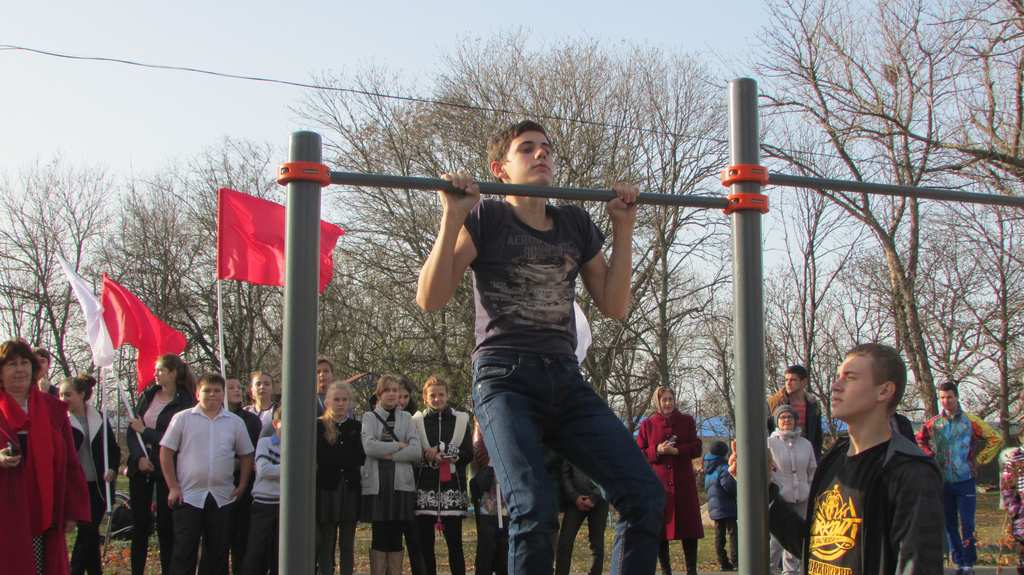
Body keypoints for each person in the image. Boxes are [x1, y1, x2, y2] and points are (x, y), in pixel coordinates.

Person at [415, 119, 663, 575]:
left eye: (546, 147)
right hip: (504, 378)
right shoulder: (488, 217)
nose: (541, 153)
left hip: (565, 378)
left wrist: (624, 226)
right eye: (527, 148)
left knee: (644, 496)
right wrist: (452, 217)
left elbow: (614, 305)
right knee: (534, 509)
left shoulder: (574, 223)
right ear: (500, 169)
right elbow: (429, 298)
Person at [735, 343, 944, 574]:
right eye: (837, 377)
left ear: (884, 391)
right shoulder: (833, 460)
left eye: (850, 377)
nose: (835, 386)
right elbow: (812, 548)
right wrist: (765, 488)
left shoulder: (910, 472)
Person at [0, 339, 90, 575]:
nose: (20, 369)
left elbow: (70, 463)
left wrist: (71, 510)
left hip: (42, 510)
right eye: (11, 364)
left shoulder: (52, 409)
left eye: (24, 363)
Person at [160, 373, 255, 575]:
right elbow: (166, 452)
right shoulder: (182, 419)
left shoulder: (235, 422)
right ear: (197, 394)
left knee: (217, 555)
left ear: (223, 394)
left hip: (222, 497)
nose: (212, 394)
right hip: (188, 497)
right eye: (207, 390)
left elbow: (246, 455)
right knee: (184, 553)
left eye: (217, 391)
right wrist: (173, 487)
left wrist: (242, 485)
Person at [916, 380, 1002, 574]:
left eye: (949, 397)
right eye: (942, 397)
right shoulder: (934, 423)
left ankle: (968, 563)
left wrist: (978, 460)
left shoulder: (971, 421)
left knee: (967, 523)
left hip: (965, 480)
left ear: (956, 397)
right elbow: (920, 440)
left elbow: (996, 438)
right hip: (943, 481)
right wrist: (930, 458)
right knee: (949, 524)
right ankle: (958, 562)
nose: (946, 401)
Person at [127, 353, 196, 575]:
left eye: (160, 370)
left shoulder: (185, 403)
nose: (155, 374)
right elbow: (132, 429)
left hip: (166, 472)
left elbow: (175, 439)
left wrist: (145, 432)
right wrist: (139, 457)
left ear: (173, 374)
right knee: (140, 526)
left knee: (166, 527)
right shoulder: (148, 396)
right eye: (155, 370)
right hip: (141, 469)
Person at [637, 386, 703, 575]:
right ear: (657, 402)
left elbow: (696, 447)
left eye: (670, 399)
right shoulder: (647, 424)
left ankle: (691, 570)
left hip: (684, 484)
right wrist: (656, 450)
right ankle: (666, 570)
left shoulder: (686, 421)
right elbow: (639, 453)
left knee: (689, 529)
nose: (668, 403)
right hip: (660, 486)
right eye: (664, 400)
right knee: (661, 531)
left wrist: (677, 451)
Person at [60, 374, 121, 575]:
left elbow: (113, 449)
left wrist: (112, 469)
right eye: (61, 395)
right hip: (76, 485)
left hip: (98, 486)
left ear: (81, 394)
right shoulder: (61, 420)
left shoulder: (99, 418)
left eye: (68, 394)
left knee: (89, 530)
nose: (63, 399)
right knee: (89, 531)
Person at [361, 374, 423, 575]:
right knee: (379, 536)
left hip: (400, 485)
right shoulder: (369, 417)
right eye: (387, 390)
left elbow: (416, 451)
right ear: (379, 394)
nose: (392, 394)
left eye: (395, 390)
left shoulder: (407, 418)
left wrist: (389, 455)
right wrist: (398, 445)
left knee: (396, 537)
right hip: (378, 484)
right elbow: (369, 447)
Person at [412, 376, 472, 575]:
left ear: (448, 395)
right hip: (425, 490)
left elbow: (468, 454)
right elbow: (412, 452)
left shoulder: (461, 420)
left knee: (455, 545)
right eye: (432, 395)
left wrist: (445, 450)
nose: (437, 399)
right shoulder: (416, 421)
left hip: (452, 489)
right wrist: (427, 455)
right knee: (425, 546)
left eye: (441, 394)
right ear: (425, 397)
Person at [210, 378, 264, 575]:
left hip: (243, 484)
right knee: (218, 540)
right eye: (231, 387)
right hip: (216, 486)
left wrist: (239, 464)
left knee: (241, 539)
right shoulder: (211, 419)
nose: (236, 391)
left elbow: (253, 451)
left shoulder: (251, 420)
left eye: (239, 387)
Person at [316, 381, 365, 575]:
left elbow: (360, 457)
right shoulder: (319, 426)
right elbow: (320, 458)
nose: (341, 403)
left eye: (344, 400)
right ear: (327, 402)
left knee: (347, 543)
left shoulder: (356, 427)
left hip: (350, 488)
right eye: (336, 399)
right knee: (327, 541)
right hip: (327, 489)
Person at [767, 404, 816, 575]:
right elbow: (767, 469)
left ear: (795, 420)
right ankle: (769, 570)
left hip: (802, 497)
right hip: (780, 498)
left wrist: (810, 489)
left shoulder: (805, 444)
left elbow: (812, 469)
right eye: (782, 417)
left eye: (790, 417)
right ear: (777, 421)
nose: (786, 420)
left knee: (797, 540)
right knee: (776, 541)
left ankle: (790, 572)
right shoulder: (770, 443)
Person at [243, 405, 282, 575]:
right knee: (256, 550)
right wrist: (291, 468)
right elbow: (264, 470)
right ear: (275, 423)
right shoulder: (265, 443)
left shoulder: (299, 446)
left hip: (285, 505)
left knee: (279, 553)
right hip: (264, 503)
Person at [554, 460, 608, 575]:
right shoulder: (572, 448)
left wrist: (594, 497)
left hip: (600, 501)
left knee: (597, 546)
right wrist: (575, 497)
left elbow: (607, 472)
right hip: (575, 501)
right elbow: (565, 473)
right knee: (564, 543)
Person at [471, 423, 509, 575]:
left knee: (505, 545)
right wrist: (492, 462)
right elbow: (478, 450)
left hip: (507, 493)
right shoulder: (482, 424)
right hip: (487, 494)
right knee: (487, 546)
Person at [768, 365, 823, 460]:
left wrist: (816, 459)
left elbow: (817, 436)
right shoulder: (775, 403)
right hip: (780, 458)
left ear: (804, 382)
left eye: (793, 380)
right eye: (786, 380)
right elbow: (768, 431)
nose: (788, 383)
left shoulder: (813, 404)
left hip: (805, 457)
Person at [703, 441, 736, 572]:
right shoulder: (723, 467)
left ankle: (723, 562)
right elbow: (729, 487)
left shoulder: (708, 470)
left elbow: (707, 488)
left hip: (714, 507)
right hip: (727, 506)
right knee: (733, 533)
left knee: (719, 535)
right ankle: (736, 560)